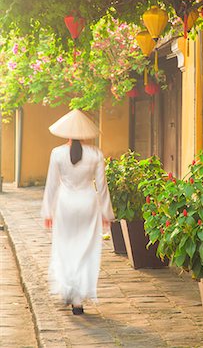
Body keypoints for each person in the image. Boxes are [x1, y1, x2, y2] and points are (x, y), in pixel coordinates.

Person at [41, 109, 114, 315]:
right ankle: (78, 300)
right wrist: (106, 212)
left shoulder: (57, 154)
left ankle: (68, 289)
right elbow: (102, 186)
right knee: (86, 250)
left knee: (65, 249)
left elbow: (52, 185)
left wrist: (48, 211)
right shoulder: (96, 155)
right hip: (88, 205)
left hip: (65, 205)